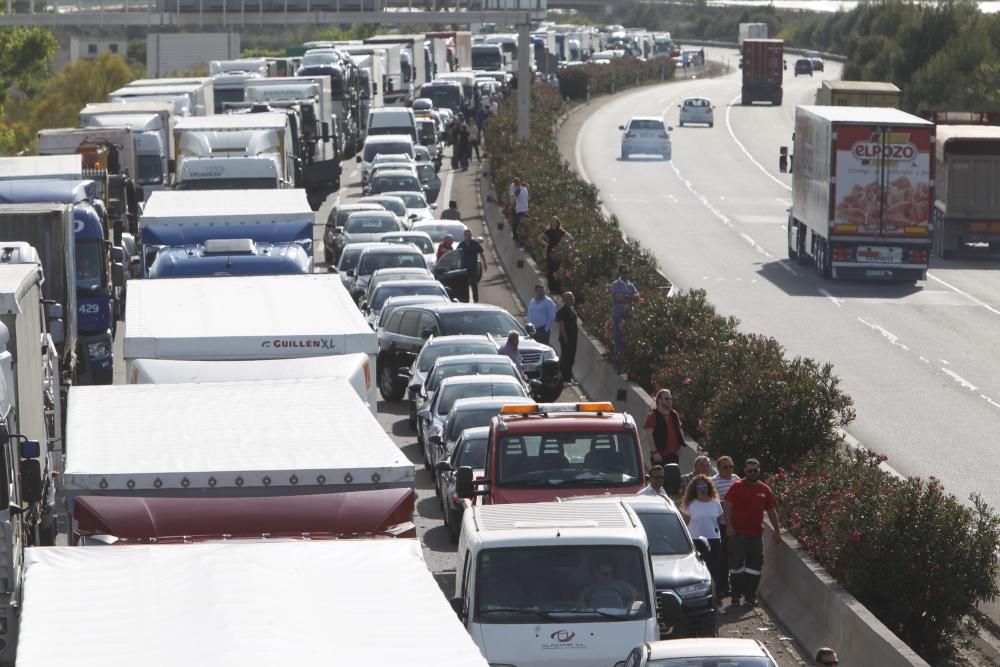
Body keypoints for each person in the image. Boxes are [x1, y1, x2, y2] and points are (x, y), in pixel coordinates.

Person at [723, 458, 781, 608]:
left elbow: (771, 511)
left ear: (759, 470)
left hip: (756, 536)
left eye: (755, 470)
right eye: (750, 470)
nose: (753, 473)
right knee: (736, 566)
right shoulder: (736, 487)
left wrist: (777, 530)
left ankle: (750, 596)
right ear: (745, 471)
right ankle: (735, 596)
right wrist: (729, 526)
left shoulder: (764, 489)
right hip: (738, 535)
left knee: (755, 567)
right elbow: (727, 506)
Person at [680, 475, 725, 614]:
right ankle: (698, 603)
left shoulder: (715, 503)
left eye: (704, 486)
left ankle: (716, 603)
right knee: (697, 572)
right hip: (696, 542)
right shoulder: (690, 505)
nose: (702, 489)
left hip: (714, 540)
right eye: (699, 486)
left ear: (709, 487)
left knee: (714, 572)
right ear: (694, 488)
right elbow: (684, 525)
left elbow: (718, 521)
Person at [711, 455, 740, 600]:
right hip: (720, 524)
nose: (728, 470)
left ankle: (734, 587)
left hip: (736, 524)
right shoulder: (713, 482)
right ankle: (722, 587)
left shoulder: (736, 479)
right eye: (725, 467)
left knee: (735, 557)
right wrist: (728, 504)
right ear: (719, 469)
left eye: (730, 466)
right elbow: (713, 502)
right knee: (722, 557)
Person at [643, 389, 686, 467]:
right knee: (660, 478)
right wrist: (655, 452)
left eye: (670, 399)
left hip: (674, 455)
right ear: (659, 400)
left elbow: (679, 430)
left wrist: (680, 447)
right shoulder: (653, 416)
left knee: (672, 478)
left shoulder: (674, 414)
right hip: (660, 456)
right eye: (666, 399)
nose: (669, 401)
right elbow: (649, 435)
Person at [610, 266, 639, 371]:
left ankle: (625, 365)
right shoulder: (616, 284)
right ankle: (617, 364)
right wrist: (630, 298)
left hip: (628, 316)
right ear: (620, 273)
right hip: (618, 315)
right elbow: (618, 297)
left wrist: (626, 297)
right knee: (619, 339)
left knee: (628, 340)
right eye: (624, 272)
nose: (626, 274)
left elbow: (637, 297)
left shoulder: (631, 285)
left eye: (628, 272)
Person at [538, 216, 573, 294]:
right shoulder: (548, 231)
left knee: (557, 270)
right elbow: (539, 238)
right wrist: (546, 244)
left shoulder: (560, 231)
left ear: (558, 223)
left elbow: (570, 238)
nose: (553, 223)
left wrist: (565, 246)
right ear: (550, 222)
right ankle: (551, 288)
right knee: (550, 270)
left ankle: (557, 289)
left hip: (557, 252)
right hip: (550, 251)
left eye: (555, 221)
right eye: (552, 221)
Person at [457, 229, 487, 303]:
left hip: (473, 267)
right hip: (464, 267)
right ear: (464, 236)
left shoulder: (475, 243)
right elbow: (456, 254)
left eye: (469, 235)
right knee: (464, 284)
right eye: (466, 235)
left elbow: (481, 253)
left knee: (474, 284)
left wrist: (485, 264)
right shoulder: (461, 244)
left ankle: (476, 300)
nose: (468, 236)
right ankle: (466, 300)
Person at [556, 291, 577, 384]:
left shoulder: (572, 309)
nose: (572, 298)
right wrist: (565, 338)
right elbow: (561, 326)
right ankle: (564, 378)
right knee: (565, 358)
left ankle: (569, 377)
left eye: (572, 296)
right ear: (565, 299)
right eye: (569, 297)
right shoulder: (562, 311)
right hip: (566, 339)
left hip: (573, 338)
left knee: (571, 358)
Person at [512, 178, 529, 246]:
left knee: (515, 227)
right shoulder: (525, 189)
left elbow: (513, 199)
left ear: (515, 184)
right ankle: (521, 240)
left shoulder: (517, 190)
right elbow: (527, 185)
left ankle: (517, 241)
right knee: (522, 226)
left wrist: (513, 206)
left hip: (519, 211)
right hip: (525, 209)